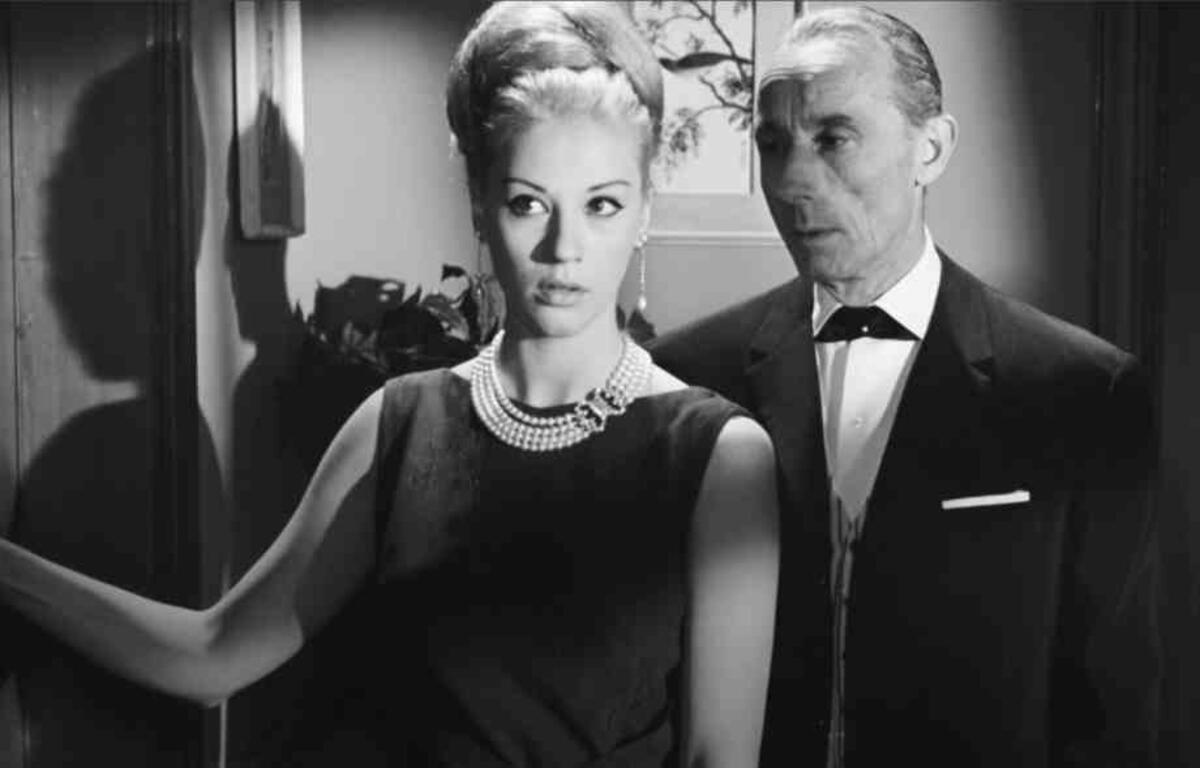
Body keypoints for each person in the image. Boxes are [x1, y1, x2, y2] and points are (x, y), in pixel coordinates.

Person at [0, 2, 780, 766]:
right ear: (479, 206)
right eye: (527, 204)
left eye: (602, 205)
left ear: (644, 211)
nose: (563, 247)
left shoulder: (718, 457)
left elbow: (720, 755)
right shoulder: (401, 425)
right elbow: (216, 653)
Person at [651, 5, 1160, 767]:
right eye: (773, 144)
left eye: (833, 137)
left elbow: (1115, 712)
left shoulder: (1085, 392)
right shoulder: (685, 377)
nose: (791, 181)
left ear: (932, 148)